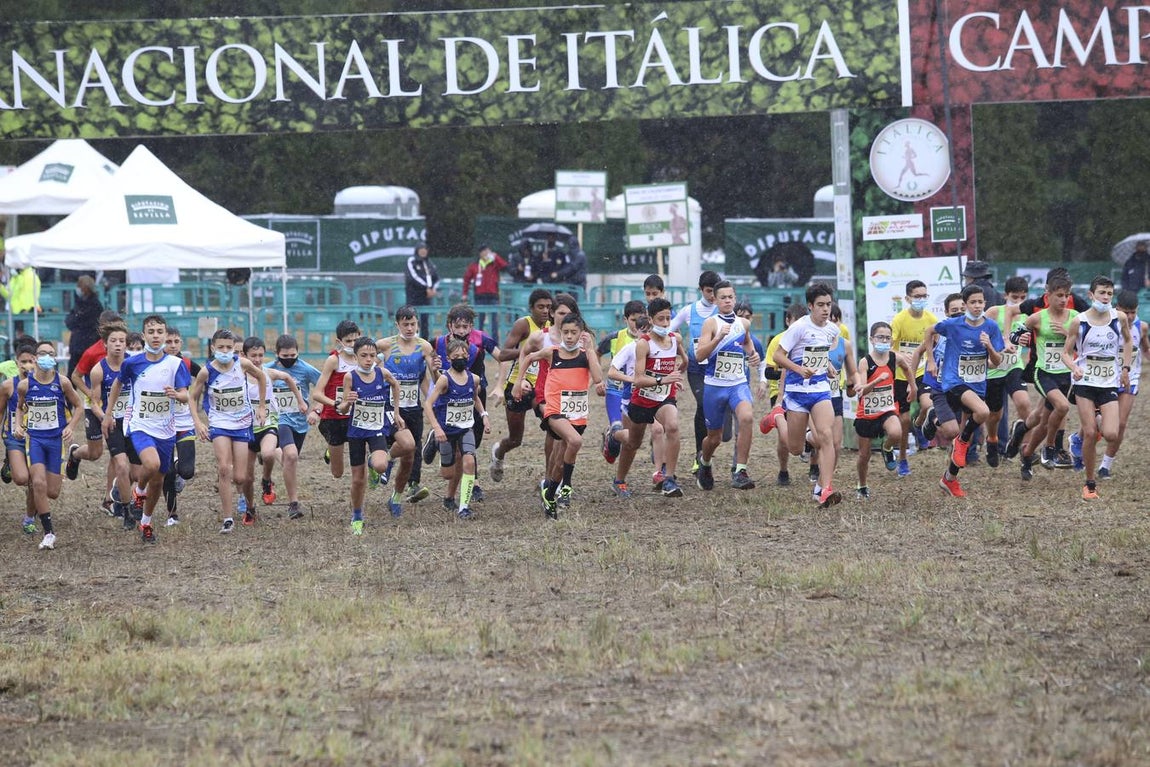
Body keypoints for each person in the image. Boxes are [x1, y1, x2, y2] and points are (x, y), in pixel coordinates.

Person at [102, 315, 192, 544]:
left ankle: (146, 522)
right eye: (151, 332)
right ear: (144, 336)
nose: (155, 336)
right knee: (151, 464)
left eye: (160, 332)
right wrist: (108, 414)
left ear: (165, 335)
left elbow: (186, 395)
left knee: (159, 480)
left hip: (166, 429)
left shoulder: (175, 364)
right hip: (140, 424)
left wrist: (177, 394)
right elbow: (117, 384)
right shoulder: (132, 363)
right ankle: (138, 492)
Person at [520, 312, 605, 517]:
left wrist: (591, 350)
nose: (569, 336)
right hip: (555, 412)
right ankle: (566, 485)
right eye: (565, 332)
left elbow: (597, 377)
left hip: (577, 414)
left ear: (581, 334)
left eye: (573, 332)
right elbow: (529, 357)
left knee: (559, 462)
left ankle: (549, 494)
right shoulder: (553, 352)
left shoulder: (585, 355)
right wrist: (519, 382)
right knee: (575, 441)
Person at [926, 284, 1004, 497]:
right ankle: (959, 440)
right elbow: (929, 331)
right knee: (983, 412)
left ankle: (949, 479)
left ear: (985, 303)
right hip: (954, 381)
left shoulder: (991, 327)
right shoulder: (953, 325)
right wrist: (930, 360)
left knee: (962, 435)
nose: (977, 306)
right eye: (973, 302)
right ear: (966, 304)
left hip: (977, 384)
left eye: (980, 302)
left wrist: (989, 346)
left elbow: (997, 362)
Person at [189, 329, 267, 534]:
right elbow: (192, 397)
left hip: (241, 422)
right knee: (224, 468)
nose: (225, 351)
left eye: (229, 347)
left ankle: (246, 501)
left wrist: (261, 407)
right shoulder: (206, 372)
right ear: (213, 348)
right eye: (221, 347)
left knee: (240, 477)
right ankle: (228, 519)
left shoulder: (243, 364)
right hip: (219, 422)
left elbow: (261, 377)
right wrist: (198, 422)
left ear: (234, 349)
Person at [1061, 276, 1132, 500]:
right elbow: (1065, 353)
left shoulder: (1119, 318)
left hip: (1108, 381)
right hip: (1084, 382)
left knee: (1111, 434)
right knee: (1090, 432)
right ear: (1091, 295)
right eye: (1102, 293)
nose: (1106, 297)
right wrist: (1074, 367)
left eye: (1110, 293)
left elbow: (1128, 341)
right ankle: (1090, 484)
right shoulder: (1079, 321)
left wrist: (1125, 368)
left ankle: (1091, 423)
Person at [772, 283, 843, 507]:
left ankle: (824, 489)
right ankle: (778, 417)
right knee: (795, 448)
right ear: (810, 306)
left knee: (827, 436)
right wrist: (799, 369)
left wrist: (827, 366)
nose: (825, 309)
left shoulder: (832, 330)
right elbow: (778, 356)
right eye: (820, 305)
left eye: (828, 304)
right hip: (797, 391)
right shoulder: (799, 328)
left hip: (820, 389)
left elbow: (820, 353)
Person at [13, 339, 85, 551]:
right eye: (43, 353)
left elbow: (79, 406)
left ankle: (69, 460)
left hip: (55, 441)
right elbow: (19, 407)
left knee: (52, 492)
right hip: (35, 440)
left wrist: (70, 426)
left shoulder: (62, 382)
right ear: (35, 358)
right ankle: (48, 533)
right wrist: (18, 425)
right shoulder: (25, 385)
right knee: (38, 483)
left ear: (55, 358)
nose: (47, 357)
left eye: (51, 354)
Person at [612, 298, 686, 498]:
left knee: (672, 426)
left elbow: (685, 361)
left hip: (664, 398)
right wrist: (663, 379)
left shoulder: (675, 339)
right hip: (642, 399)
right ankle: (619, 479)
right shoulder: (643, 344)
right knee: (633, 443)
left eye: (668, 318)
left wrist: (675, 378)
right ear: (651, 320)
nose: (665, 323)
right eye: (661, 319)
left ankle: (669, 479)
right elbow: (638, 380)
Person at [338, 336, 414, 530]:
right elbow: (343, 409)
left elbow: (396, 385)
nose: (368, 359)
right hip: (356, 431)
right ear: (355, 357)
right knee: (357, 479)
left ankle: (373, 464)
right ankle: (357, 516)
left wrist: (396, 412)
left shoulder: (382, 373)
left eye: (372, 355)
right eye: (364, 355)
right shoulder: (350, 377)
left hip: (376, 429)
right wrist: (348, 402)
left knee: (381, 466)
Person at [693, 282, 760, 490]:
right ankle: (704, 462)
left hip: (737, 384)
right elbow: (699, 355)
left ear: (735, 298)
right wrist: (718, 337)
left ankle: (740, 471)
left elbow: (747, 342)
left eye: (731, 297)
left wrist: (753, 355)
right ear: (715, 300)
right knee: (715, 438)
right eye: (723, 297)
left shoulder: (743, 323)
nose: (728, 301)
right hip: (715, 386)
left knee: (746, 417)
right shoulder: (710, 324)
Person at [424, 337, 491, 519]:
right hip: (446, 431)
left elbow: (475, 398)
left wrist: (484, 416)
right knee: (448, 474)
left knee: (469, 462)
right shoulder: (444, 380)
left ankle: (464, 507)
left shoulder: (474, 379)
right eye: (456, 356)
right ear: (449, 358)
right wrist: (437, 428)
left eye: (463, 356)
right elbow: (428, 404)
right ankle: (434, 439)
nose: (460, 359)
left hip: (465, 429)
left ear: (468, 357)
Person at [490, 289, 553, 483]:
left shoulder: (554, 325)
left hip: (542, 386)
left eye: (548, 307)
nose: (545, 311)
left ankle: (550, 479)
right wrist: (528, 352)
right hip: (518, 384)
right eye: (540, 307)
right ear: (531, 308)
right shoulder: (523, 325)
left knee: (554, 429)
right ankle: (498, 453)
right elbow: (503, 354)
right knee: (515, 440)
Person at [378, 306, 439, 505]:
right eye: (405, 324)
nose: (410, 328)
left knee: (413, 449)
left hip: (413, 406)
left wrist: (435, 373)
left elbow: (432, 378)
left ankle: (411, 485)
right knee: (399, 443)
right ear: (397, 325)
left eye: (413, 324)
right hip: (390, 406)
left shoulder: (424, 347)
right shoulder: (385, 345)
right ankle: (384, 463)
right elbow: (362, 356)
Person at [241, 337, 305, 523]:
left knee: (268, 454)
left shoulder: (269, 373)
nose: (257, 360)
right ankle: (250, 508)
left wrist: (300, 401)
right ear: (244, 355)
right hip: (246, 428)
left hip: (268, 423)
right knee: (247, 477)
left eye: (261, 355)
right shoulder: (238, 377)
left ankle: (267, 480)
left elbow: (288, 378)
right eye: (253, 356)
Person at [262, 334, 322, 519]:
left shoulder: (306, 369)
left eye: (293, 356)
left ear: (298, 353)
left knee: (289, 459)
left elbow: (324, 388)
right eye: (285, 356)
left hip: (300, 423)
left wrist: (316, 410)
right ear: (276, 354)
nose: (289, 359)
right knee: (291, 455)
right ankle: (293, 504)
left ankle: (266, 478)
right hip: (278, 420)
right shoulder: (268, 370)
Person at [668, 270, 722, 473]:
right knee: (702, 403)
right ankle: (700, 455)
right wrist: (680, 351)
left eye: (715, 291)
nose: (712, 296)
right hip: (696, 369)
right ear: (701, 290)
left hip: (718, 369)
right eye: (708, 291)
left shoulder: (723, 310)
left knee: (715, 408)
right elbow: (668, 330)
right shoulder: (689, 310)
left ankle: (708, 446)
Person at [853, 322, 914, 499]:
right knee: (864, 455)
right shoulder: (865, 362)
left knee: (896, 432)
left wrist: (913, 386)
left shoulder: (895, 358)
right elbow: (863, 390)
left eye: (887, 338)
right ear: (872, 339)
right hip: (867, 413)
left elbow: (907, 368)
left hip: (887, 408)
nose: (884, 341)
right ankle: (862, 485)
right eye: (880, 337)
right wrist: (877, 380)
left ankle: (886, 448)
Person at [87, 323, 137, 526]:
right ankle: (126, 511)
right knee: (122, 466)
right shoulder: (98, 370)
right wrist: (105, 417)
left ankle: (123, 493)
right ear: (105, 344)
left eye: (122, 341)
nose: (118, 344)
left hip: (135, 422)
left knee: (139, 473)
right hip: (113, 423)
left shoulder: (134, 364)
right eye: (113, 341)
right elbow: (94, 403)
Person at [1098, 290, 1149, 477]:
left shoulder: (1142, 327)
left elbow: (1145, 348)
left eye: (1133, 312)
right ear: (1116, 308)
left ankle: (1105, 466)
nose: (1129, 316)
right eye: (1125, 312)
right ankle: (1081, 439)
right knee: (1101, 425)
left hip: (1130, 379)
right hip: (1107, 379)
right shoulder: (1106, 324)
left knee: (1121, 423)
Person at [982, 277, 1032, 467]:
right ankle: (992, 440)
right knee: (995, 415)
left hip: (1014, 366)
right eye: (1014, 297)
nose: (1018, 302)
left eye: (1022, 298)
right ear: (1005, 296)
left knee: (1024, 403)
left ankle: (1024, 448)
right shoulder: (995, 312)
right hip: (994, 370)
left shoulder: (1028, 316)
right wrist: (1000, 344)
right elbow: (981, 334)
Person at [889, 280, 937, 477]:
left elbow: (936, 344)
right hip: (902, 374)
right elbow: (889, 347)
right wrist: (901, 355)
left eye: (924, 296)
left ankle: (920, 425)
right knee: (904, 419)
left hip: (922, 371)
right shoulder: (899, 320)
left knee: (927, 405)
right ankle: (902, 458)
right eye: (917, 296)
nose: (921, 299)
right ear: (908, 298)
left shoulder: (931, 319)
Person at [310, 320, 361, 480]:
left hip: (357, 416)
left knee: (362, 460)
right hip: (334, 418)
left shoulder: (364, 358)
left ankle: (372, 464)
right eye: (348, 341)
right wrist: (337, 404)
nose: (352, 344)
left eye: (355, 340)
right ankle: (330, 451)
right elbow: (317, 393)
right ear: (339, 341)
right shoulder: (334, 360)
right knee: (337, 473)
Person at [0, 343, 39, 533]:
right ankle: (10, 460)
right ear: (17, 363)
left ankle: (29, 518)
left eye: (31, 361)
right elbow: (0, 411)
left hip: (37, 437)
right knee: (22, 478)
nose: (27, 365)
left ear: (36, 362)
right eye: (23, 361)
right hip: (14, 437)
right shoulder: (8, 385)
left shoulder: (44, 383)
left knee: (34, 480)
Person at [462, 244, 508, 337]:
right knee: (479, 322)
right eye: (483, 251)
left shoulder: (495, 263)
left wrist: (496, 257)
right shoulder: (474, 266)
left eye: (487, 251)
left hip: (493, 296)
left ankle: (494, 342)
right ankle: (478, 342)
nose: (486, 253)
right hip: (479, 296)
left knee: (494, 322)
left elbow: (505, 267)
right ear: (480, 254)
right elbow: (466, 279)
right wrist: (464, 293)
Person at [65, 275, 103, 373]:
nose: (77, 288)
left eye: (79, 286)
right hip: (77, 346)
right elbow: (69, 321)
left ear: (85, 288)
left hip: (88, 346)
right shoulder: (79, 303)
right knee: (72, 374)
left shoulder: (95, 306)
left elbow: (84, 323)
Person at [404, 241, 440, 339]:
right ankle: (411, 341)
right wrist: (426, 287)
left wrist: (433, 289)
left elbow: (436, 278)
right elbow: (413, 277)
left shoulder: (429, 263)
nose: (423, 251)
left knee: (425, 321)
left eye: (425, 249)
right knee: (412, 320)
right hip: (414, 296)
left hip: (426, 298)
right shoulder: (411, 261)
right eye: (421, 249)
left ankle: (425, 342)